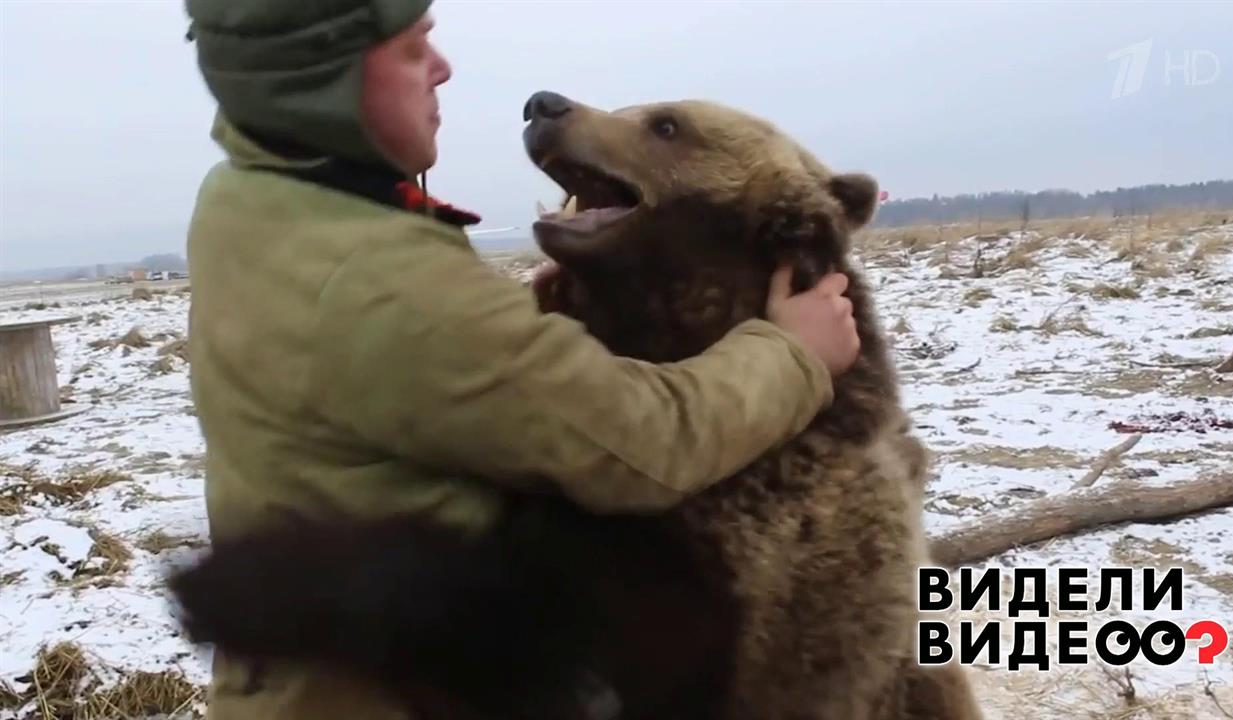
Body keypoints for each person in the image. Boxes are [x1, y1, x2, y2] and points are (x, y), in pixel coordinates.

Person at [181, 1, 861, 718]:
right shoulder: (385, 282)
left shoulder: (247, 198)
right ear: (322, 77)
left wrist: (515, 338)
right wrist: (794, 354)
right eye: (413, 51)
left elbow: (382, 367)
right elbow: (641, 446)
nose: (442, 70)